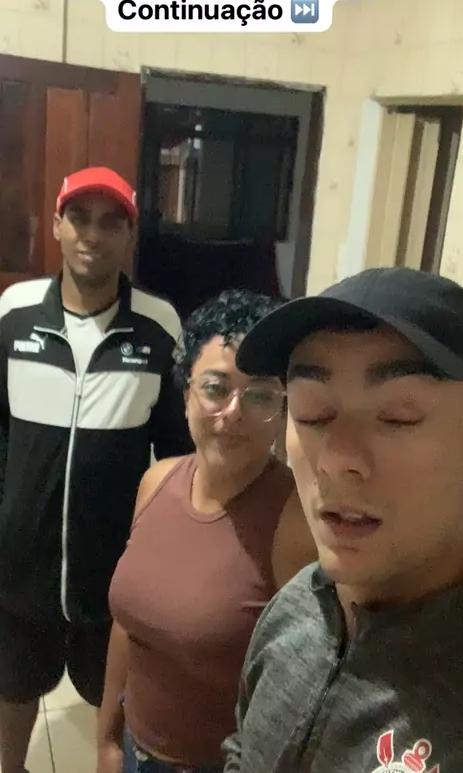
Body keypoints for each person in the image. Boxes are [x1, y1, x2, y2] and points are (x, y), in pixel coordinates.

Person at [224, 266, 463, 772]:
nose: (337, 458)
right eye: (312, 413)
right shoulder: (295, 606)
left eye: (399, 416)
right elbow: (243, 748)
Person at [0, 166, 193, 773]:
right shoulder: (13, 314)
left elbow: (179, 455)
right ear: (56, 225)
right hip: (18, 564)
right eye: (79, 218)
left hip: (112, 569)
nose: (92, 234)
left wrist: (164, 554)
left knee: (113, 709)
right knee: (13, 689)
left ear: (130, 236)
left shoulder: (159, 327)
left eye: (112, 222)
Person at [97, 289, 317, 773]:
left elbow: (307, 691)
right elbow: (128, 625)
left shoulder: (297, 523)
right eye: (216, 388)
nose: (234, 412)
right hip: (133, 749)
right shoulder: (156, 482)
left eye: (260, 395)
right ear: (186, 395)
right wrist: (108, 739)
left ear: (283, 410)